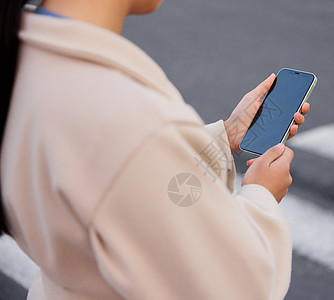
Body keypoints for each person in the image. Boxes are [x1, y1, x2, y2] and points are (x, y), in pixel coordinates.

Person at [0, 0, 310, 299]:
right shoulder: (132, 120)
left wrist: (224, 138)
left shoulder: (27, 61)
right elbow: (238, 287)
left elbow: (117, 182)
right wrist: (261, 196)